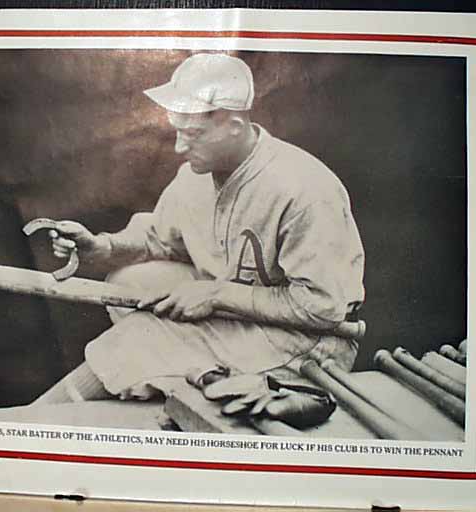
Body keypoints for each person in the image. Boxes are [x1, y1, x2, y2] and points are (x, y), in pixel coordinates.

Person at [33, 53, 365, 405]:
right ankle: (188, 376)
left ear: (233, 126)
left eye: (193, 134)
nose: (178, 146)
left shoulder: (304, 189)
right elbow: (159, 239)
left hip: (307, 339)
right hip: (241, 309)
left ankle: (33, 424)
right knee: (128, 282)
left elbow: (323, 307)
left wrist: (216, 294)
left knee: (138, 337)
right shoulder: (194, 177)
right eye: (178, 131)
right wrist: (105, 247)